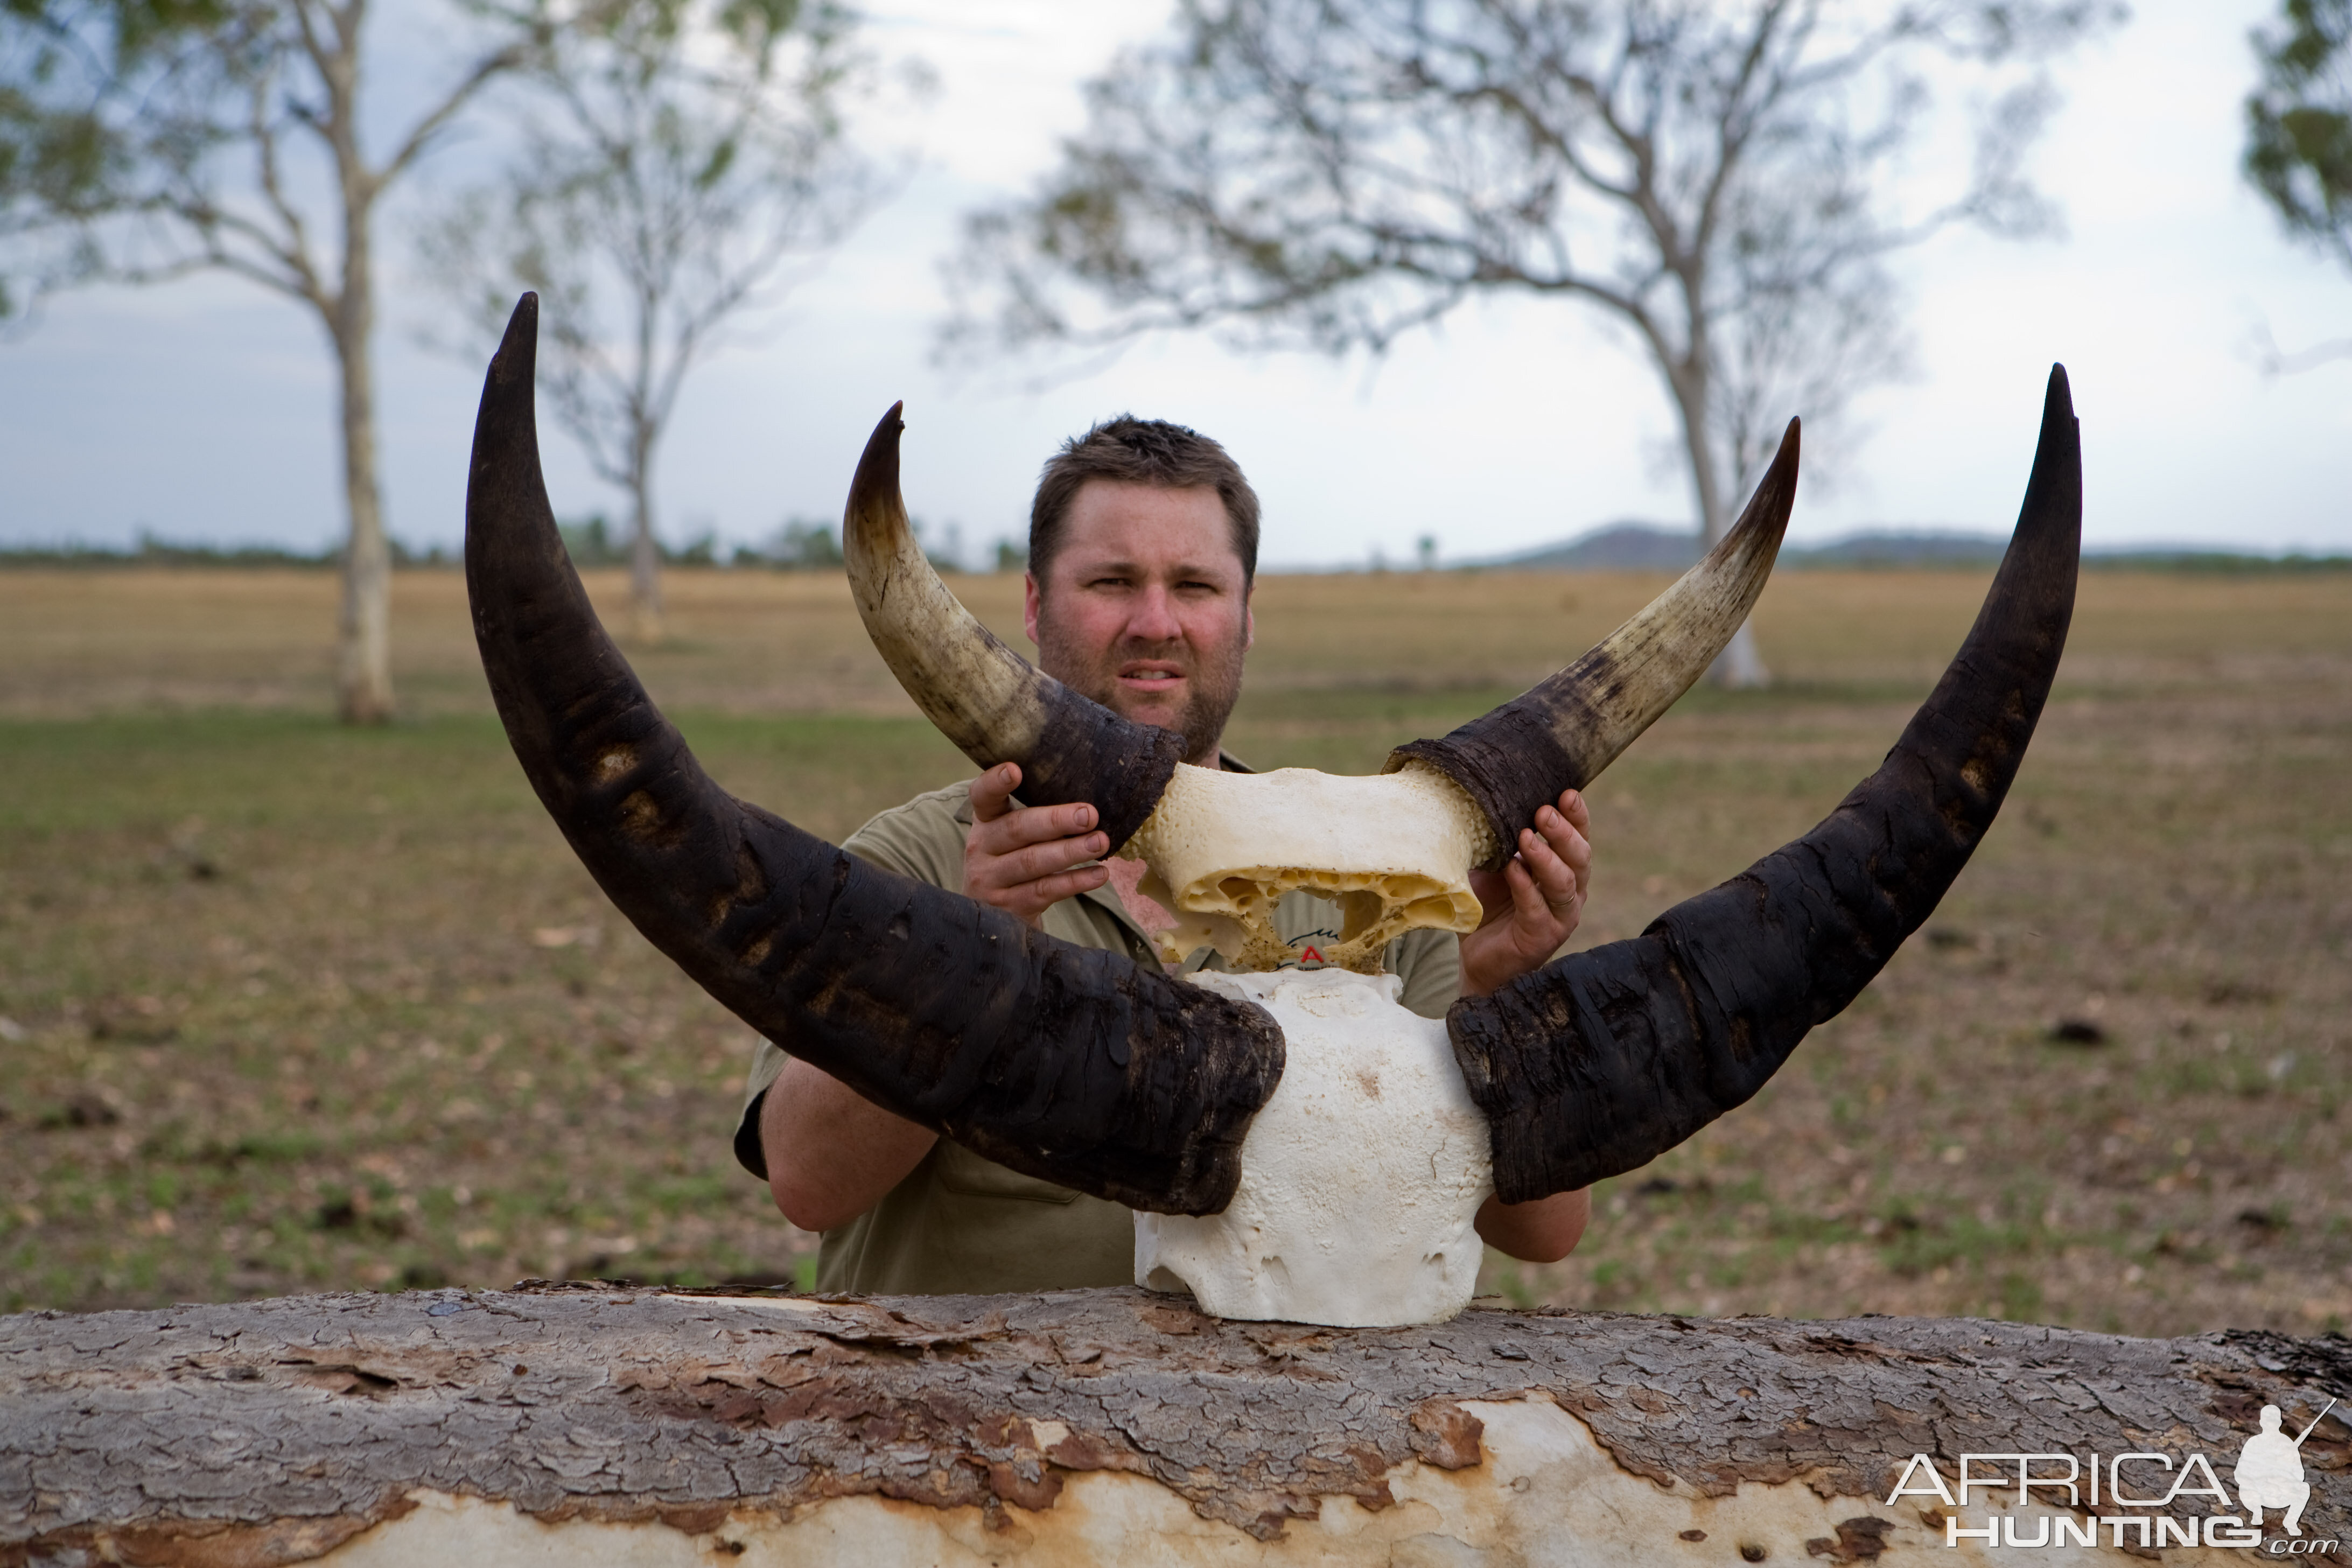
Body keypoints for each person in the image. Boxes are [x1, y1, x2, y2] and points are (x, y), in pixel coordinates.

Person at [734, 416, 1594, 1294]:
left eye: (1194, 585)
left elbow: (1542, 1229)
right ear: (1034, 605)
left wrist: (1495, 999)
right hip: (965, 1427)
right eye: (1111, 581)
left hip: (1278, 1427)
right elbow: (808, 1180)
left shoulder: (1376, 879)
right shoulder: (913, 861)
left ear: (1246, 616)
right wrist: (965, 958)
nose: (1155, 622)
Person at [2235, 1403, 2319, 1535]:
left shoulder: (2287, 1444)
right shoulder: (2253, 1443)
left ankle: (2291, 1521)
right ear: (2262, 1422)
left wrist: (2283, 1473)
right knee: (2246, 1487)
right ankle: (2257, 1512)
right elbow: (2240, 1473)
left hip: (2279, 1493)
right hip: (2257, 1492)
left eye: (2273, 1421)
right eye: (2268, 1421)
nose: (2270, 1424)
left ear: (2280, 1422)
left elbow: (2300, 1474)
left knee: (2304, 1488)